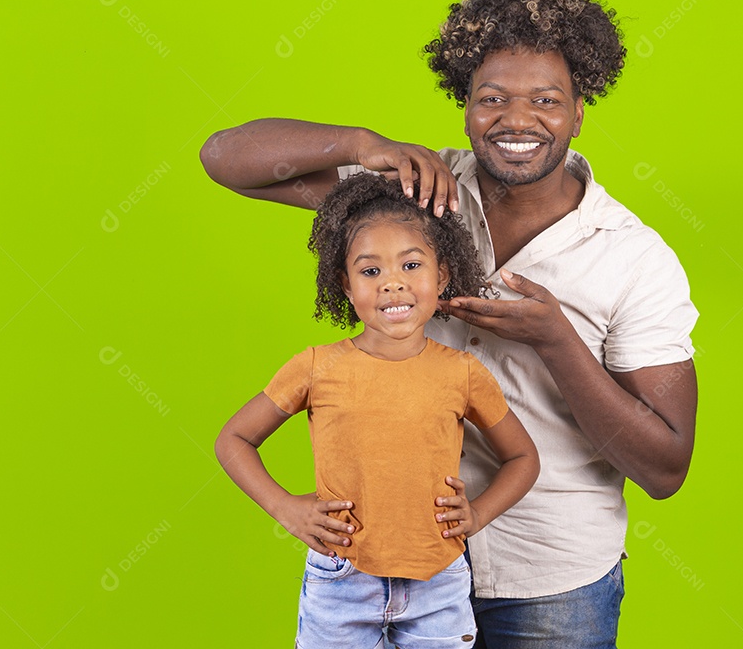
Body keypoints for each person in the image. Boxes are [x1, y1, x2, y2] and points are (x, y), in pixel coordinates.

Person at [203, 0, 699, 648]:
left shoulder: (634, 259)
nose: (517, 120)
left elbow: (665, 468)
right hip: (388, 568)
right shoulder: (406, 194)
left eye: (546, 101)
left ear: (579, 111)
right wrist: (357, 144)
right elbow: (225, 159)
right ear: (464, 105)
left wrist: (557, 342)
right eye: (491, 99)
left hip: (551, 580)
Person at [215, 172, 540, 649]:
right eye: (371, 272)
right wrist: (285, 507)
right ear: (345, 286)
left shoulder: (463, 373)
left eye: (411, 266)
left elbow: (523, 458)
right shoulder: (315, 367)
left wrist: (477, 514)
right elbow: (234, 440)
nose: (392, 285)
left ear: (442, 275)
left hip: (439, 580)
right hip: (342, 577)